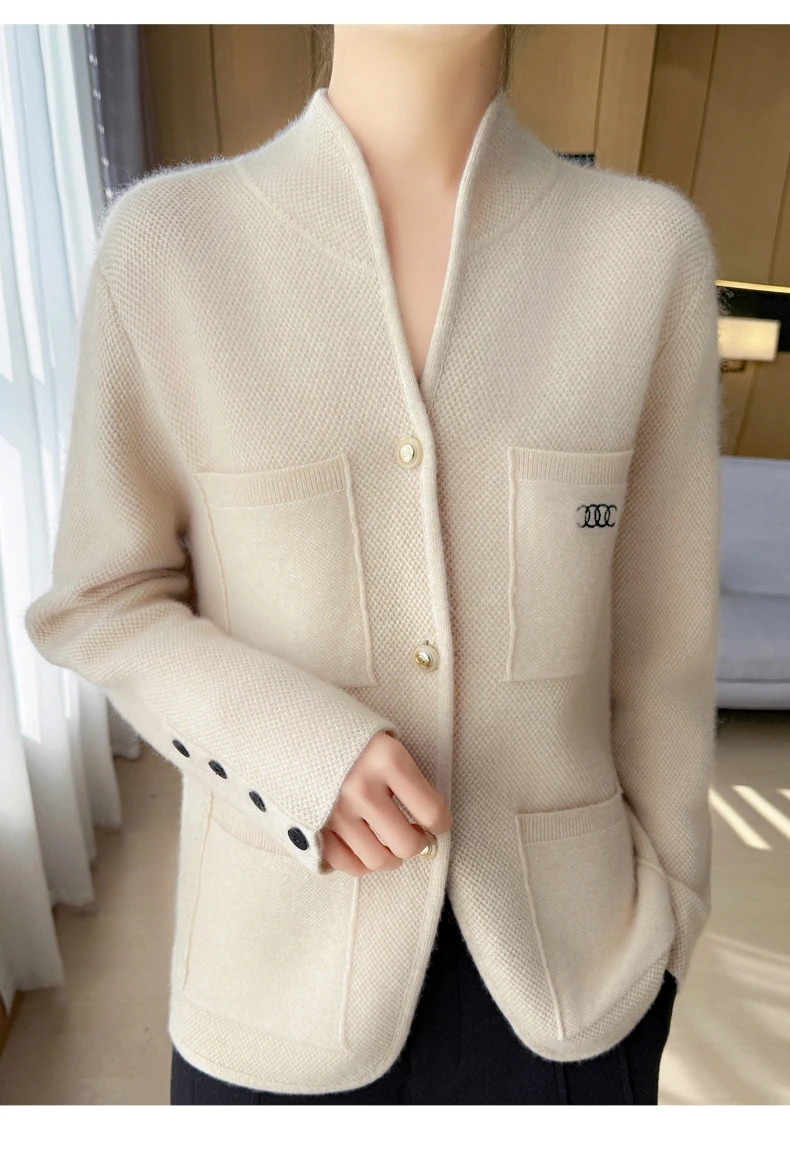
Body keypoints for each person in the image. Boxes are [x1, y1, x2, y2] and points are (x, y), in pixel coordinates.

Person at [24, 24, 722, 1105]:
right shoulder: (170, 248)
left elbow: (662, 649)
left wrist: (672, 916)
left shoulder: (645, 255)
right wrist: (295, 748)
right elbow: (101, 600)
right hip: (272, 984)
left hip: (580, 984)